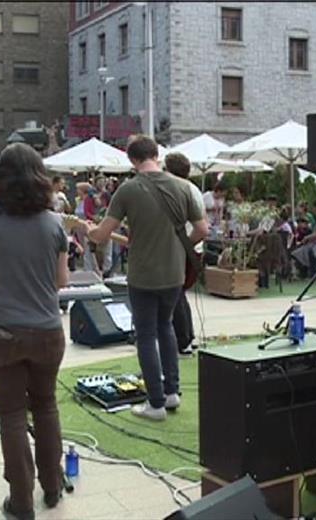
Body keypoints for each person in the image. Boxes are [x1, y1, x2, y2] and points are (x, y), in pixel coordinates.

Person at [0, 143, 70, 518]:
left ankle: (21, 501)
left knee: (11, 414)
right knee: (46, 407)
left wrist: (7, 281)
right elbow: (60, 281)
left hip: (4, 333)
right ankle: (52, 487)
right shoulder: (54, 223)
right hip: (48, 331)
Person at [85, 135, 208, 421]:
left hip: (142, 275)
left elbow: (102, 235)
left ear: (132, 159)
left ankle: (155, 403)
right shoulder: (184, 187)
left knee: (146, 335)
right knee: (166, 327)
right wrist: (180, 246)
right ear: (157, 155)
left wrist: (86, 230)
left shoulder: (128, 190)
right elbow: (202, 229)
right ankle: (171, 392)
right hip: (174, 273)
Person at [164, 152, 204, 355]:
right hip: (193, 248)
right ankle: (187, 336)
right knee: (179, 295)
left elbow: (198, 227)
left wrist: (181, 246)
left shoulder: (181, 190)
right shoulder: (193, 189)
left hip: (184, 247)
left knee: (176, 295)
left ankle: (183, 339)